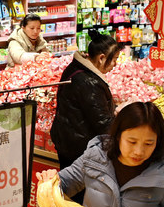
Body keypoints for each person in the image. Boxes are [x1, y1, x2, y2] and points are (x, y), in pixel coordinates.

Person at [50, 31, 120, 169]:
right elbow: (103, 123)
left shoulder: (75, 67)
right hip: (79, 148)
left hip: (68, 140)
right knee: (78, 188)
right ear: (101, 58)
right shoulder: (89, 82)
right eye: (114, 59)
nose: (115, 64)